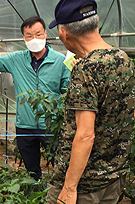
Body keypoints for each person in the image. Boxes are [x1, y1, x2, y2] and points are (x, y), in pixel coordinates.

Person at [46, 0, 135, 204]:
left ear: (63, 34)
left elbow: (85, 135)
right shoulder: (123, 59)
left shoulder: (86, 69)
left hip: (85, 187)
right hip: (113, 179)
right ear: (96, 23)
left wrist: (69, 188)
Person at [0, 16, 71, 180]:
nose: (34, 39)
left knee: (60, 165)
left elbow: (67, 92)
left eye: (38, 34)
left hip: (51, 125)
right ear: (23, 38)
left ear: (45, 34)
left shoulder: (59, 61)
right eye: (29, 36)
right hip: (25, 126)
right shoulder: (17, 59)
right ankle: (34, 193)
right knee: (31, 169)